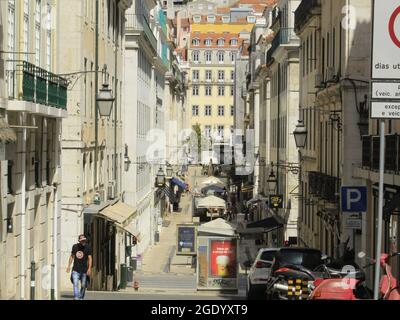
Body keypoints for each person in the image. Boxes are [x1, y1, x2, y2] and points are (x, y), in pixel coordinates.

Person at [66, 234, 92, 300]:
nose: (83, 242)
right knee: (75, 284)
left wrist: (89, 268)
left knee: (83, 285)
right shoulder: (75, 247)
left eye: (84, 240)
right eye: (82, 241)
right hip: (76, 269)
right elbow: (72, 256)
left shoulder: (88, 247)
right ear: (79, 241)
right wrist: (68, 266)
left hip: (84, 270)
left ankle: (81, 297)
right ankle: (76, 297)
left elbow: (90, 258)